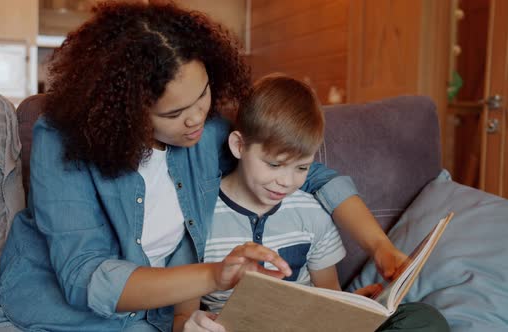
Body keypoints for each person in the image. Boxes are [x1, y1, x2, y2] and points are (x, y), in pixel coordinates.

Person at [0, 2, 406, 331]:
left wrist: (379, 249)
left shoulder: (207, 137)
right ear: (124, 111)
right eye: (174, 113)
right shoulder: (62, 139)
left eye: (202, 95)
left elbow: (304, 172)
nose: (197, 118)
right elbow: (86, 277)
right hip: (41, 317)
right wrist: (213, 276)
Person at [180, 75, 449, 332]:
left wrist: (355, 308)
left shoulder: (311, 213)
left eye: (302, 167)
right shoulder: (200, 218)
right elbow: (183, 315)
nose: (286, 181)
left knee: (424, 319)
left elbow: (328, 296)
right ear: (239, 146)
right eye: (274, 164)